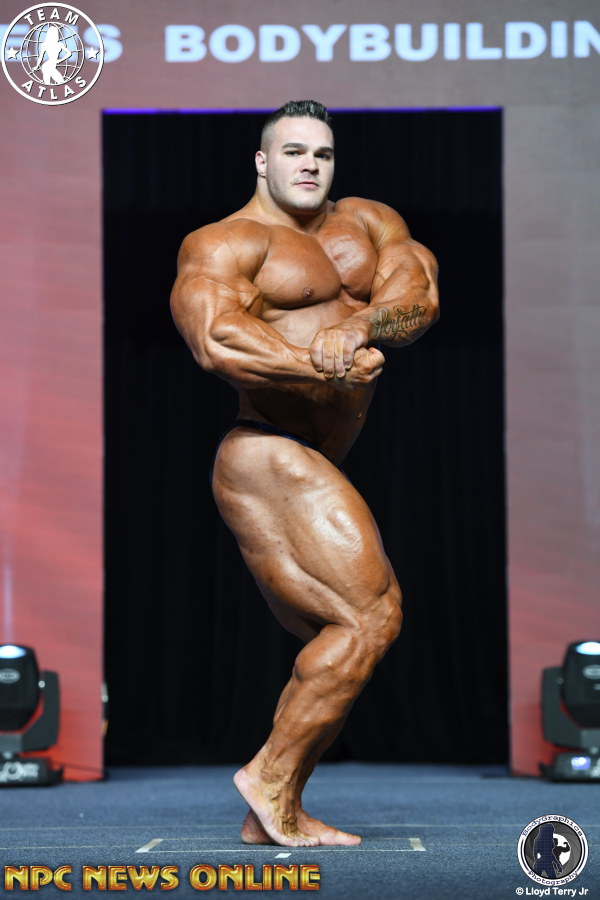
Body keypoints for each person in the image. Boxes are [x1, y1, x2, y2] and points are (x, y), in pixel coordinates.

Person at [170, 100, 439, 847]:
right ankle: (268, 779)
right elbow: (215, 338)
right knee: (370, 617)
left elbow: (417, 296)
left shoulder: (368, 223)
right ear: (263, 162)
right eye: (293, 152)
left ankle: (274, 807)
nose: (310, 165)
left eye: (321, 153)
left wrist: (359, 325)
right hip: (264, 452)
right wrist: (316, 365)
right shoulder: (226, 241)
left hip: (312, 456)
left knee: (348, 634)